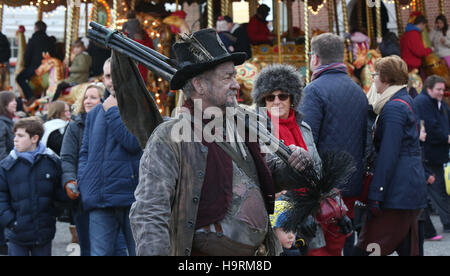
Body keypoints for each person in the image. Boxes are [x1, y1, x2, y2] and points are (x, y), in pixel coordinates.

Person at [129, 28, 315, 256]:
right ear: (199, 85)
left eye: (234, 76)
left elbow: (268, 173)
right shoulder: (169, 137)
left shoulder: (243, 126)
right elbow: (149, 213)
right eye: (227, 77)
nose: (236, 85)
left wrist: (294, 167)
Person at [252, 63, 356, 256]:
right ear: (262, 101)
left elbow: (319, 172)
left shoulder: (304, 128)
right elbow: (268, 179)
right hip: (280, 219)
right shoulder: (258, 132)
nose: (276, 101)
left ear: (292, 98)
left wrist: (339, 210)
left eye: (282, 96)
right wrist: (296, 212)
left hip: (313, 211)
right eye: (269, 97)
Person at [298, 33, 368, 255]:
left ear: (315, 59)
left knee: (322, 249)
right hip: (352, 185)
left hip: (324, 191)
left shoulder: (314, 91)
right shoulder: (358, 91)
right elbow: (366, 141)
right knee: (344, 241)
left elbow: (306, 143)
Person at [353, 56, 427, 256]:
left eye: (375, 75)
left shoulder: (394, 107)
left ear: (385, 78)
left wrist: (376, 194)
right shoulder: (402, 101)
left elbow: (389, 153)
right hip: (405, 191)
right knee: (407, 249)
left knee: (366, 249)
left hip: (397, 193)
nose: (373, 79)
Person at [77, 72, 142, 256]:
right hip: (100, 197)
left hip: (131, 197)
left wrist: (113, 111)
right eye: (107, 76)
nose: (112, 80)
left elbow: (133, 143)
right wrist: (85, 180)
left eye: (115, 74)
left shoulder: (138, 108)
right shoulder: (95, 113)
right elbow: (85, 152)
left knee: (139, 251)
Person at [0, 117, 68, 256]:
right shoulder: (7, 166)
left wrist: (52, 214)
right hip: (17, 234)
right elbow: (1, 197)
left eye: (20, 135)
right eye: (15, 135)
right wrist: (11, 222)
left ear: (34, 138)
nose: (15, 139)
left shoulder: (51, 162)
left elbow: (58, 192)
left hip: (43, 232)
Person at [60, 84, 103, 256]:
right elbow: (67, 158)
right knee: (86, 245)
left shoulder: (110, 120)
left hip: (107, 192)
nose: (88, 101)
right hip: (82, 194)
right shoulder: (75, 126)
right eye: (85, 97)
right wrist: (70, 180)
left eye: (93, 97)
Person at [414, 75, 450, 233]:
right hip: (428, 153)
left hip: (434, 152)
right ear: (429, 88)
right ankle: (446, 222)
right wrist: (446, 137)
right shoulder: (423, 102)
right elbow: (431, 126)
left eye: (443, 89)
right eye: (439, 89)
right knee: (437, 189)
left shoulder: (437, 102)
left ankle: (433, 225)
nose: (442, 92)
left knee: (436, 189)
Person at [16, 21, 56, 105]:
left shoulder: (33, 40)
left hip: (36, 67)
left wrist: (26, 66)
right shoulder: (50, 40)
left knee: (19, 78)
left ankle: (30, 96)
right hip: (49, 67)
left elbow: (27, 55)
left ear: (36, 28)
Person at [0, 91, 16, 255]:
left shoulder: (8, 122)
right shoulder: (2, 123)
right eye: (11, 101)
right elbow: (1, 153)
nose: (15, 103)